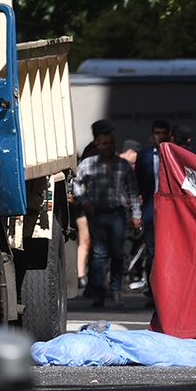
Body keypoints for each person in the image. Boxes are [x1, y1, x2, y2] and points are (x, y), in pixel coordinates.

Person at [72, 131, 142, 307]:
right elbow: (76, 183)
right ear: (98, 145)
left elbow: (133, 190)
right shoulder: (89, 164)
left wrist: (136, 214)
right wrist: (85, 201)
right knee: (99, 254)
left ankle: (116, 291)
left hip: (117, 213)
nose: (108, 147)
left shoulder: (122, 165)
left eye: (111, 143)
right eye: (104, 143)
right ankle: (98, 293)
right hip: (97, 214)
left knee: (118, 253)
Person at [71, 120, 116, 291]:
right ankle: (86, 279)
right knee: (90, 241)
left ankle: (87, 279)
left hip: (89, 203)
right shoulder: (94, 153)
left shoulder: (95, 150)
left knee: (90, 242)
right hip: (89, 205)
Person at [135, 120, 171, 305]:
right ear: (152, 135)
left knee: (170, 253)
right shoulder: (144, 156)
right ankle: (153, 292)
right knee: (152, 253)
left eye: (164, 133)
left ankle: (168, 292)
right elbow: (138, 184)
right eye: (157, 133)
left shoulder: (175, 155)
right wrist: (137, 211)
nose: (160, 136)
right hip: (151, 210)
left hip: (172, 213)